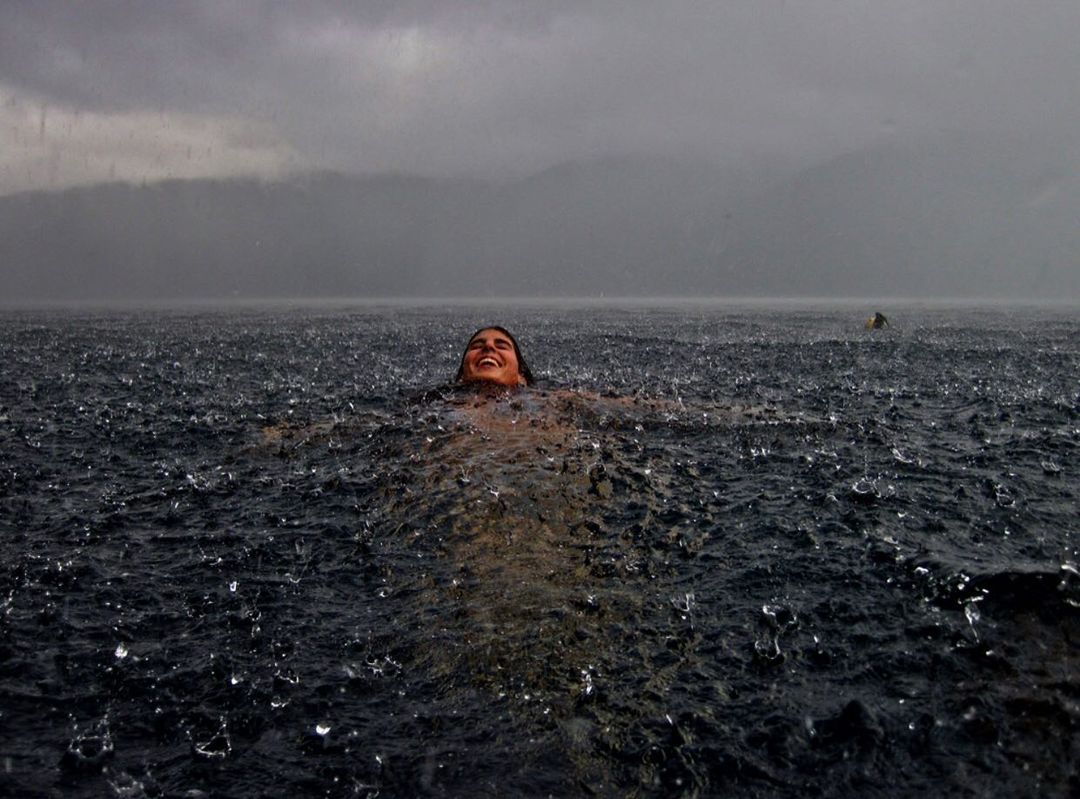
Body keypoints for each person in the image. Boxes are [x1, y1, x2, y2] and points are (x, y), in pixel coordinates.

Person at [454, 326, 534, 387]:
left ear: (521, 377)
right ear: (462, 376)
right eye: (477, 346)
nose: (488, 345)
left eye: (501, 346)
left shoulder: (543, 403)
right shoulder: (444, 400)